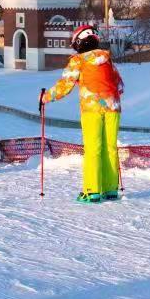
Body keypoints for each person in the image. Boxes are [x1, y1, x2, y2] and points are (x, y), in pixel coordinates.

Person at [40, 24, 123, 203]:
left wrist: (45, 97)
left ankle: (91, 190)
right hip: (113, 107)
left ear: (79, 42)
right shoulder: (107, 59)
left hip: (91, 108)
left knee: (94, 149)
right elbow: (120, 85)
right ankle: (110, 190)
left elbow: (64, 86)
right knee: (110, 148)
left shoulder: (79, 60)